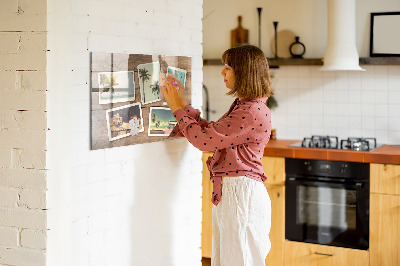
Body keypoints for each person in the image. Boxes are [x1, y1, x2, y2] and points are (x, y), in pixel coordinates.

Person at [161, 44, 273, 266]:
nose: (222, 72)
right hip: (235, 193)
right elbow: (212, 132)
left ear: (244, 72)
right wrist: (182, 104)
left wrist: (176, 108)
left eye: (228, 67)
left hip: (241, 195)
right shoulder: (246, 106)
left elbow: (204, 141)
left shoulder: (250, 111)